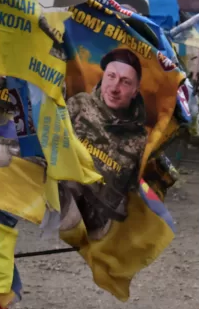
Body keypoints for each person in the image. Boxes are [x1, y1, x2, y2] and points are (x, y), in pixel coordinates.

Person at [60, 48, 148, 241]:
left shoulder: (141, 140)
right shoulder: (78, 106)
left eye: (125, 82)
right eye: (111, 76)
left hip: (100, 228)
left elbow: (135, 196)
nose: (115, 88)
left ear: (135, 91)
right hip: (62, 209)